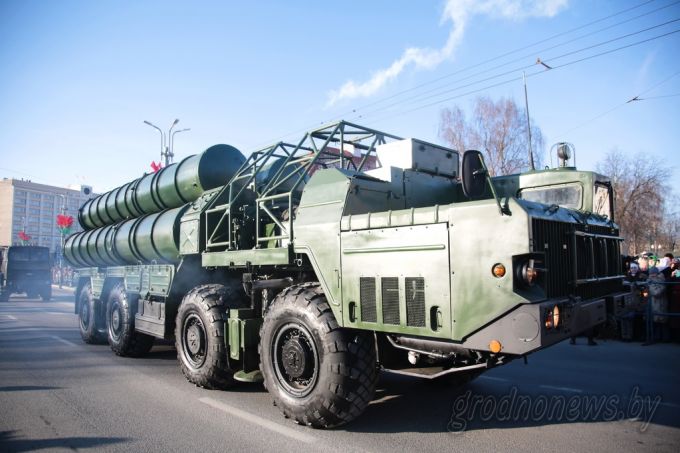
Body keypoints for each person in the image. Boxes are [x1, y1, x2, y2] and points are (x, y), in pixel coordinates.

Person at [647, 266, 669, 343]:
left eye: (653, 273)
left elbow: (656, 292)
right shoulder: (651, 281)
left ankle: (663, 338)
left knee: (662, 322)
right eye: (650, 274)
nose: (651, 275)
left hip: (660, 304)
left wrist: (650, 285)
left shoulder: (661, 281)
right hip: (655, 304)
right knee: (657, 322)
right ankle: (658, 337)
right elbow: (655, 292)